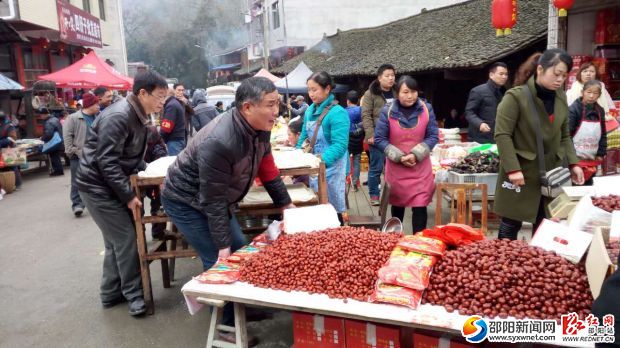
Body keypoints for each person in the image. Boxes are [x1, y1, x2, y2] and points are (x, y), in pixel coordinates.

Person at [161, 77, 294, 342]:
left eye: (277, 104)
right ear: (247, 107)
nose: (276, 112)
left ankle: (242, 307)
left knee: (240, 246)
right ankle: (228, 328)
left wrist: (286, 204)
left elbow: (267, 167)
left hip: (215, 199)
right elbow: (212, 198)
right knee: (219, 259)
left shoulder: (260, 127)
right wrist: (222, 246)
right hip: (186, 200)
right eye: (270, 105)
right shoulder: (220, 140)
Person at [76, 70, 168, 316]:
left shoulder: (138, 116)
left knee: (115, 242)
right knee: (127, 239)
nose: (162, 102)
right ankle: (134, 295)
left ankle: (110, 293)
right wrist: (129, 196)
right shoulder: (119, 116)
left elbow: (131, 157)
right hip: (97, 187)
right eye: (159, 97)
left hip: (107, 184)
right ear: (142, 93)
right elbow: (107, 162)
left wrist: (150, 172)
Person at [494, 49, 584, 240]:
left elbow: (564, 135)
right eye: (556, 74)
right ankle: (502, 263)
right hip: (522, 169)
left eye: (564, 75)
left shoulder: (560, 97)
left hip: (551, 171)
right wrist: (512, 169)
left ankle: (537, 264)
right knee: (511, 222)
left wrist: (574, 163)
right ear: (540, 69)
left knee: (545, 223)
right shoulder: (515, 97)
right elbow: (502, 135)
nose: (560, 79)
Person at [375, 76, 439, 232]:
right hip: (397, 168)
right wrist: (400, 157)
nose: (410, 96)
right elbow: (379, 139)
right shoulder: (387, 111)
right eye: (405, 92)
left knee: (420, 205)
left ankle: (418, 243)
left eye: (413, 91)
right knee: (397, 205)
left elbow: (432, 136)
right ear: (397, 93)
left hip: (420, 168)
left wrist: (415, 154)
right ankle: (396, 240)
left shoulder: (426, 109)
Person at [296, 72, 350, 224]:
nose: (311, 94)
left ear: (327, 89)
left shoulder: (338, 113)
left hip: (333, 168)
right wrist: (296, 156)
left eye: (315, 89)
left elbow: (340, 145)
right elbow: (304, 137)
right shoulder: (309, 111)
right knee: (317, 209)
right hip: (315, 167)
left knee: (333, 211)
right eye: (309, 90)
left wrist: (319, 162)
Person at [362, 64, 396, 205]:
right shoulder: (370, 94)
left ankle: (393, 195)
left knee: (394, 167)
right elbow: (366, 115)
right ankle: (374, 195)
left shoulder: (398, 92)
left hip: (395, 135)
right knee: (376, 167)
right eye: (387, 76)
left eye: (393, 75)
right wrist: (370, 134)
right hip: (378, 135)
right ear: (379, 78)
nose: (391, 78)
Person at [63, 92, 100, 217]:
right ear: (90, 105)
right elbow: (67, 136)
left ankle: (93, 203)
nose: (99, 106)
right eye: (96, 104)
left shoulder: (98, 117)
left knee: (95, 180)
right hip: (78, 155)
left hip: (96, 155)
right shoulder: (73, 118)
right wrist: (71, 151)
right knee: (77, 181)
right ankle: (77, 204)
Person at [569, 80, 607, 186]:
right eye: (588, 92)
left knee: (589, 188)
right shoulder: (574, 109)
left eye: (595, 93)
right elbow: (567, 135)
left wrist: (601, 153)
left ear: (599, 95)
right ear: (582, 92)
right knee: (576, 186)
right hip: (576, 159)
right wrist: (572, 159)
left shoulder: (600, 110)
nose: (591, 96)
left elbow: (603, 133)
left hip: (591, 158)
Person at [465, 62, 509, 144]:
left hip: (497, 137)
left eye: (506, 74)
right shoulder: (478, 91)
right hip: (479, 139)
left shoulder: (504, 92)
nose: (504, 77)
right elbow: (469, 112)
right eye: (501, 74)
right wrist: (480, 124)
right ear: (491, 75)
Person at [143, 125, 168, 239]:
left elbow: (160, 157)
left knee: (156, 203)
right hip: (149, 175)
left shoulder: (150, 138)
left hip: (149, 175)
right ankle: (157, 231)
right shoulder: (153, 136)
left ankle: (156, 231)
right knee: (157, 202)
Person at [160, 83, 187, 155]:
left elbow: (167, 126)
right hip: (178, 139)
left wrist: (160, 138)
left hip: (174, 141)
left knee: (175, 164)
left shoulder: (171, 106)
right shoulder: (175, 103)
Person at [346, 90, 364, 191]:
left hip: (347, 138)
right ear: (357, 101)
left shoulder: (344, 111)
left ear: (348, 101)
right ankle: (355, 184)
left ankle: (347, 182)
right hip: (358, 138)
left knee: (346, 161)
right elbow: (365, 122)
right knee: (357, 162)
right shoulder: (361, 110)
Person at [0, 112, 22, 189]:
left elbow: (12, 138)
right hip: (2, 149)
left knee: (13, 166)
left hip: (10, 148)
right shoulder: (2, 125)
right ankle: (7, 184)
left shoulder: (9, 126)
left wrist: (1, 142)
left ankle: (17, 184)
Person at [40, 108, 64, 176]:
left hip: (54, 142)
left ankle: (58, 171)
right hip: (58, 140)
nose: (41, 117)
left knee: (54, 156)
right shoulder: (55, 119)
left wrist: (42, 138)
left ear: (44, 114)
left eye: (41, 115)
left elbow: (48, 134)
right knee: (56, 156)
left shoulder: (48, 122)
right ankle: (59, 170)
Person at [287, 118, 310, 186]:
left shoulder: (305, 150)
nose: (288, 138)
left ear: (298, 135)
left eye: (289, 135)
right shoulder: (301, 146)